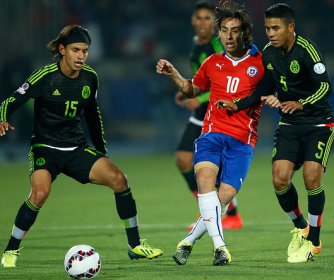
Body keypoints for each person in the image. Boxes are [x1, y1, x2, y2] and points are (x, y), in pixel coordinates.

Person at [0, 25, 163, 268]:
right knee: (40, 194)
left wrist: (100, 150)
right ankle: (11, 250)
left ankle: (135, 245)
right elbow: (12, 100)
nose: (81, 56)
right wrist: (3, 118)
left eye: (85, 51)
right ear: (62, 50)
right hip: (45, 147)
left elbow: (92, 114)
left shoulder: (90, 77)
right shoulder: (44, 76)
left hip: (76, 148)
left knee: (120, 179)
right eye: (76, 50)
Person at [216, 3, 334, 263]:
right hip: (290, 124)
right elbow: (263, 89)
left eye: (276, 27)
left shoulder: (307, 51)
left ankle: (313, 241)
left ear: (290, 28)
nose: (270, 33)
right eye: (268, 27)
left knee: (311, 177)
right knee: (280, 180)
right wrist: (239, 104)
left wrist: (301, 103)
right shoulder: (269, 54)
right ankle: (301, 227)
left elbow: (326, 86)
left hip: (319, 123)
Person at [157, 1, 264, 266]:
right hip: (212, 134)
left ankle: (187, 242)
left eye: (235, 30)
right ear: (219, 33)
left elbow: (276, 88)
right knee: (205, 179)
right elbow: (192, 89)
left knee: (223, 198)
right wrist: (174, 75)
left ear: (244, 33)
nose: (228, 36)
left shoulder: (261, 64)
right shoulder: (212, 62)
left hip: (242, 141)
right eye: (224, 30)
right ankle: (221, 247)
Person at [175, 0, 243, 230]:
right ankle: (211, 211)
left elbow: (225, 83)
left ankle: (226, 213)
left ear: (213, 24)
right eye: (199, 18)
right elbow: (203, 81)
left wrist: (198, 98)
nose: (203, 22)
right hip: (201, 111)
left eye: (207, 18)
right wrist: (187, 93)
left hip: (216, 111)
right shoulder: (196, 46)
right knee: (184, 160)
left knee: (208, 164)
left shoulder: (217, 46)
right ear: (193, 21)